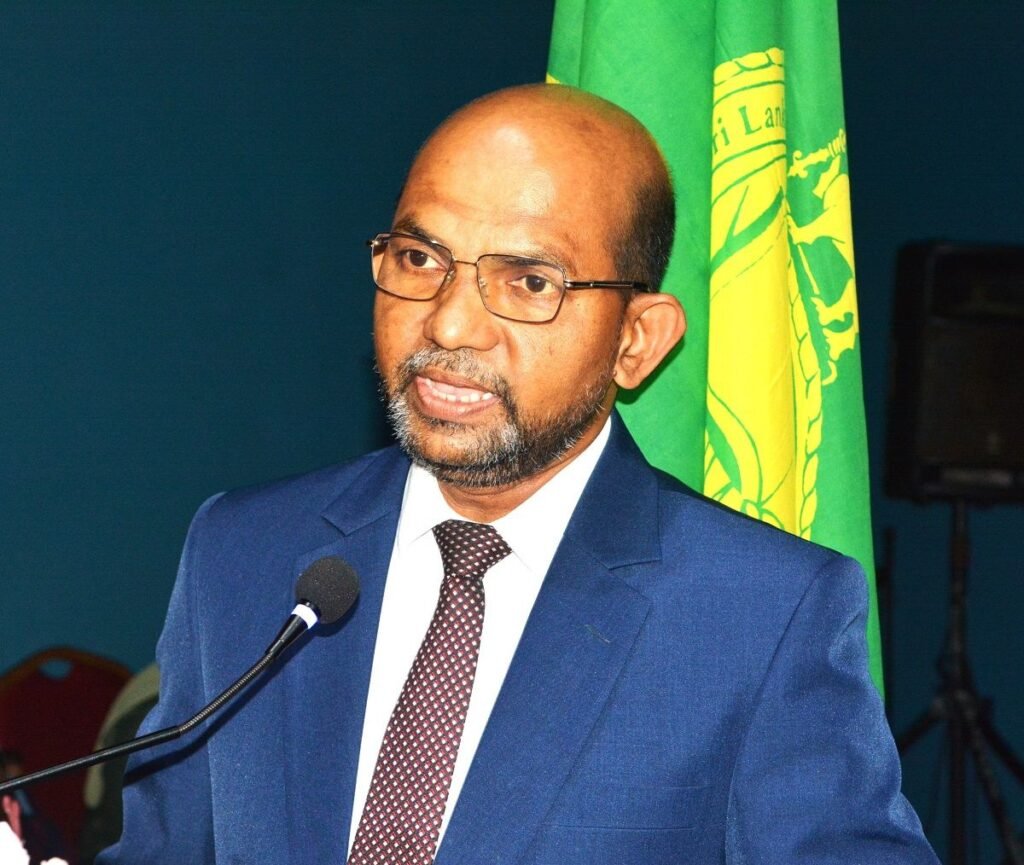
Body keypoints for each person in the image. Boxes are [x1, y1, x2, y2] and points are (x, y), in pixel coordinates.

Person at [100, 84, 937, 864]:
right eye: (420, 258)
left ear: (636, 340)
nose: (450, 323)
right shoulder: (242, 551)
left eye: (529, 281)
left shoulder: (760, 611)